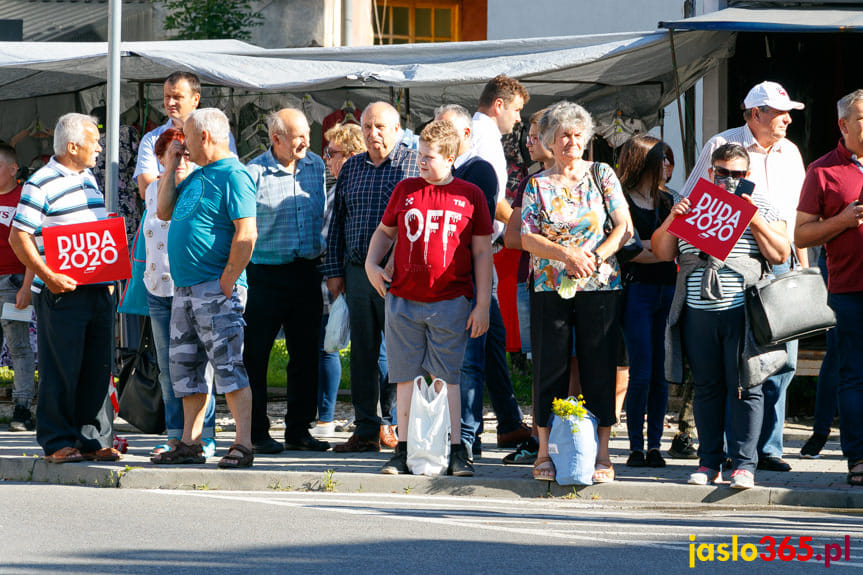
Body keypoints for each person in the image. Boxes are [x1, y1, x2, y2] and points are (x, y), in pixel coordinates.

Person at [681, 81, 806, 473]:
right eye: (777, 112)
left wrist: (800, 261)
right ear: (755, 114)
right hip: (730, 267)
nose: (786, 119)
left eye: (788, 112)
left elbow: (795, 215)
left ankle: (767, 448)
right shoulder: (722, 144)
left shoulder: (791, 152)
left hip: (780, 258)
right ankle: (722, 455)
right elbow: (694, 195)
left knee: (780, 360)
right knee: (734, 369)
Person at [653, 143, 790, 490]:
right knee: (707, 388)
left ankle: (744, 465)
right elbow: (660, 250)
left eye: (737, 174)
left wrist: (752, 215)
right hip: (698, 312)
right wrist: (674, 217)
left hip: (742, 310)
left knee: (747, 385)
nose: (728, 181)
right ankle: (708, 462)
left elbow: (780, 253)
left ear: (747, 176)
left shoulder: (762, 205)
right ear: (710, 171)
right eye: (721, 173)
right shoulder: (691, 204)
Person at [365, 119, 493, 476]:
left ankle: (455, 450)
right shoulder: (406, 189)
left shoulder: (471, 195)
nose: (421, 162)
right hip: (404, 298)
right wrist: (371, 265)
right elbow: (384, 232)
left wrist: (482, 304)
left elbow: (483, 253)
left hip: (450, 298)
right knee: (404, 377)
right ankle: (404, 450)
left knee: (446, 378)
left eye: (430, 157)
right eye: (420, 155)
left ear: (451, 157)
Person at [520, 101, 633, 484]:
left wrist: (595, 258)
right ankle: (544, 452)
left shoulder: (603, 175)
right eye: (563, 135)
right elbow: (525, 236)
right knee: (549, 367)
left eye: (577, 134)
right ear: (550, 141)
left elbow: (624, 228)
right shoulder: (536, 184)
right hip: (549, 286)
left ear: (587, 139)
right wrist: (565, 255)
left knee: (599, 366)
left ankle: (602, 453)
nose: (571, 141)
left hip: (600, 286)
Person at [9, 113, 121, 463]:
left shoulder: (88, 178)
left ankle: (94, 439)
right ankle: (57, 441)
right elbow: (19, 236)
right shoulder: (39, 183)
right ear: (73, 146)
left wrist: (112, 275)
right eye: (95, 141)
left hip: (97, 288)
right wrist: (46, 275)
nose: (100, 148)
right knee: (62, 368)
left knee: (98, 366)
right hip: (60, 291)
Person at [151, 108, 257, 469]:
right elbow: (164, 211)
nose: (184, 142)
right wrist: (170, 166)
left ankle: (243, 443)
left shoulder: (234, 175)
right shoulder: (196, 175)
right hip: (185, 291)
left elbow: (247, 233)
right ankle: (189, 442)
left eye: (188, 137)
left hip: (215, 289)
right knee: (186, 370)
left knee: (229, 367)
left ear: (206, 137)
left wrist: (228, 278)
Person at [434, 103, 529, 458]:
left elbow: (478, 230)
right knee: (481, 349)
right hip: (441, 278)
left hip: (473, 273)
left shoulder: (479, 171)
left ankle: (468, 438)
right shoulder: (432, 171)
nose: (438, 137)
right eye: (435, 129)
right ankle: (502, 423)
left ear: (467, 135)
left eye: (447, 131)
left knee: (472, 357)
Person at [323, 102, 419, 453]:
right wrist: (334, 272)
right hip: (357, 272)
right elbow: (337, 223)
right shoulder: (351, 169)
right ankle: (365, 428)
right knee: (363, 353)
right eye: (366, 128)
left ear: (397, 129)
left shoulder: (412, 164)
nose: (373, 134)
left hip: (401, 275)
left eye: (380, 127)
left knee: (399, 353)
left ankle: (393, 424)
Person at [244, 108, 330, 454]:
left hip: (307, 271)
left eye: (307, 133)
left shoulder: (316, 166)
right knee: (256, 354)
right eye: (297, 135)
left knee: (306, 353)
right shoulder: (254, 172)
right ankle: (255, 430)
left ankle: (299, 429)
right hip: (265, 273)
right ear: (276, 139)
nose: (305, 141)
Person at [457, 75, 533, 452]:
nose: (519, 120)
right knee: (479, 343)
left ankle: (506, 421)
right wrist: (526, 223)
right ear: (499, 105)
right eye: (517, 111)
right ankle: (472, 433)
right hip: (477, 252)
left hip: (481, 248)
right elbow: (490, 198)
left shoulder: (483, 134)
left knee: (491, 339)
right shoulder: (484, 137)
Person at [796, 88, 863, 486]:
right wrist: (843, 220)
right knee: (854, 375)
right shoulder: (822, 171)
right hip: (850, 289)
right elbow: (801, 236)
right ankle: (858, 460)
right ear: (844, 125)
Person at [140, 128, 218, 458]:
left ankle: (204, 434)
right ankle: (175, 433)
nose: (181, 159)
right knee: (168, 368)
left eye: (186, 153)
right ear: (160, 158)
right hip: (157, 288)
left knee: (201, 366)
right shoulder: (153, 190)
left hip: (193, 287)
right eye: (172, 153)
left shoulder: (202, 186)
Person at [615, 134, 677, 469]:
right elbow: (628, 252)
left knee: (660, 372)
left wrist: (649, 248)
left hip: (667, 290)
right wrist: (657, 251)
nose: (667, 165)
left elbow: (672, 250)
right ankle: (635, 447)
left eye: (669, 159)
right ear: (644, 162)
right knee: (640, 370)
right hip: (636, 291)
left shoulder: (669, 202)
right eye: (661, 159)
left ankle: (655, 446)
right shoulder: (621, 199)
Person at [500, 108, 554, 466]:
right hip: (531, 279)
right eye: (528, 134)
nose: (528, 141)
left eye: (535, 135)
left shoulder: (589, 179)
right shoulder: (529, 182)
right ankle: (538, 438)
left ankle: (561, 435)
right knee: (539, 364)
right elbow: (512, 237)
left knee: (569, 364)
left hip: (573, 287)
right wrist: (553, 243)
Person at [311, 122, 366, 438]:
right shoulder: (342, 187)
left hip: (340, 280)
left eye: (332, 153)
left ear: (350, 154)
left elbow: (328, 237)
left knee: (329, 348)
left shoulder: (341, 188)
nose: (327, 160)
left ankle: (327, 418)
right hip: (347, 278)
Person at [133, 71, 237, 198]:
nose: (170, 103)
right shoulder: (151, 139)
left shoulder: (219, 134)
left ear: (195, 99)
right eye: (167, 96)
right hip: (164, 217)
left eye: (177, 97)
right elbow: (146, 190)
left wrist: (166, 179)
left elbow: (227, 178)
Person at [0, 143, 36, 432]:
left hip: (13, 282)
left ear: (13, 170)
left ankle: (22, 408)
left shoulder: (24, 197)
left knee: (19, 347)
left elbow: (33, 245)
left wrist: (27, 285)